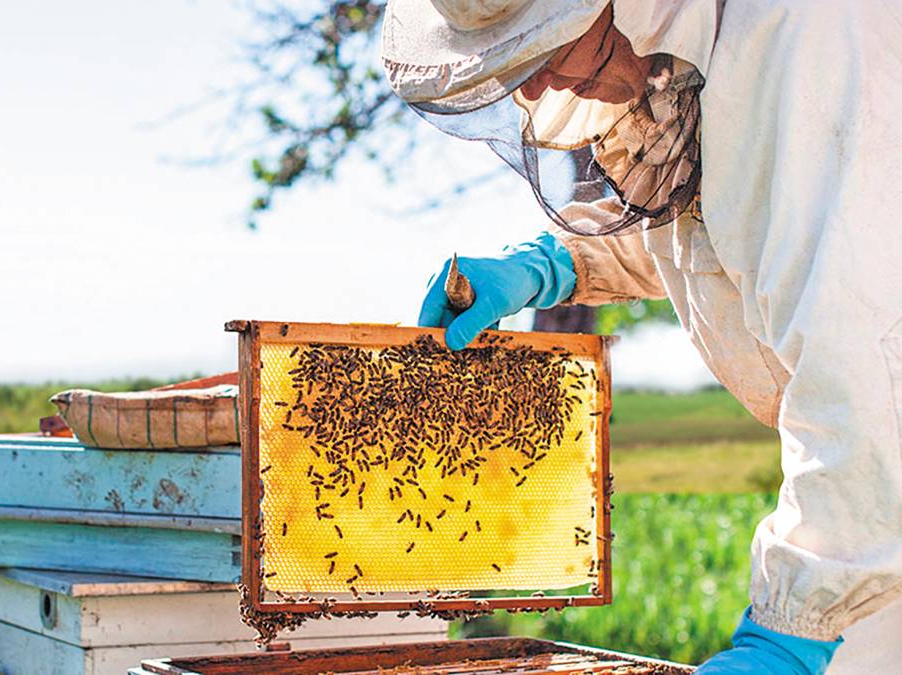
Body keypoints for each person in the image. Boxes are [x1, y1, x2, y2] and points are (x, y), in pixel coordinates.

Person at [382, 1, 902, 672]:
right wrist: (556, 262)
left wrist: (789, 634)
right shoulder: (690, 64)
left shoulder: (810, 43)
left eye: (541, 48)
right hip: (874, 505)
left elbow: (871, 370)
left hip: (875, 470)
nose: (533, 86)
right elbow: (718, 220)